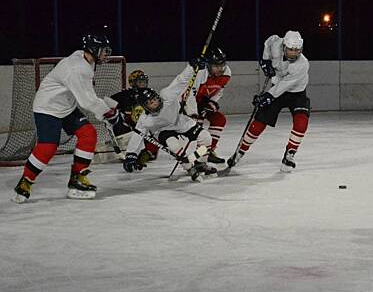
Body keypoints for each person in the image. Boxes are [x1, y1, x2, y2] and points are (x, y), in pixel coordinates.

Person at [12, 34, 122, 203]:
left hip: (66, 106)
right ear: (92, 50)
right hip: (47, 107)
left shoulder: (86, 60)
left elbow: (87, 96)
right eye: (103, 51)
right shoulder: (77, 68)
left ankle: (77, 179)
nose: (105, 55)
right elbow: (87, 101)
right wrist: (109, 113)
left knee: (89, 134)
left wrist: (105, 111)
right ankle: (25, 182)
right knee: (48, 147)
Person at [226, 30, 310, 172]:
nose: (294, 54)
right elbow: (269, 41)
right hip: (276, 88)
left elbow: (284, 85)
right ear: (284, 46)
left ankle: (290, 154)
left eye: (297, 51)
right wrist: (265, 60)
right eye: (291, 50)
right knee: (259, 122)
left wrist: (268, 96)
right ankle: (240, 151)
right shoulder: (276, 44)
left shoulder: (303, 64)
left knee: (301, 122)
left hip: (296, 92)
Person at [122, 58, 217, 181]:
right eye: (151, 103)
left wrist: (191, 67)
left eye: (155, 99)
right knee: (175, 146)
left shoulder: (166, 95)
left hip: (180, 122)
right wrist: (131, 154)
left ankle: (201, 163)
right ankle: (189, 167)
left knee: (206, 138)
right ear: (145, 107)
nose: (155, 102)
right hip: (164, 131)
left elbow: (181, 81)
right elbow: (138, 135)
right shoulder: (145, 119)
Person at [190, 48, 231, 164]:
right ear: (208, 65)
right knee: (194, 128)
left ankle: (206, 152)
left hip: (203, 102)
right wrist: (194, 113)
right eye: (216, 66)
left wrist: (212, 102)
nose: (220, 69)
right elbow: (189, 95)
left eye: (222, 65)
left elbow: (220, 90)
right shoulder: (200, 72)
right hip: (188, 104)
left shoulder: (226, 73)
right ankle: (191, 155)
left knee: (219, 119)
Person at [109, 69, 159, 163]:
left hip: (142, 131)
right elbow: (108, 102)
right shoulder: (124, 95)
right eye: (140, 82)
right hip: (127, 131)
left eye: (145, 82)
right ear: (133, 83)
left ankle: (142, 152)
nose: (143, 84)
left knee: (153, 150)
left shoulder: (150, 95)